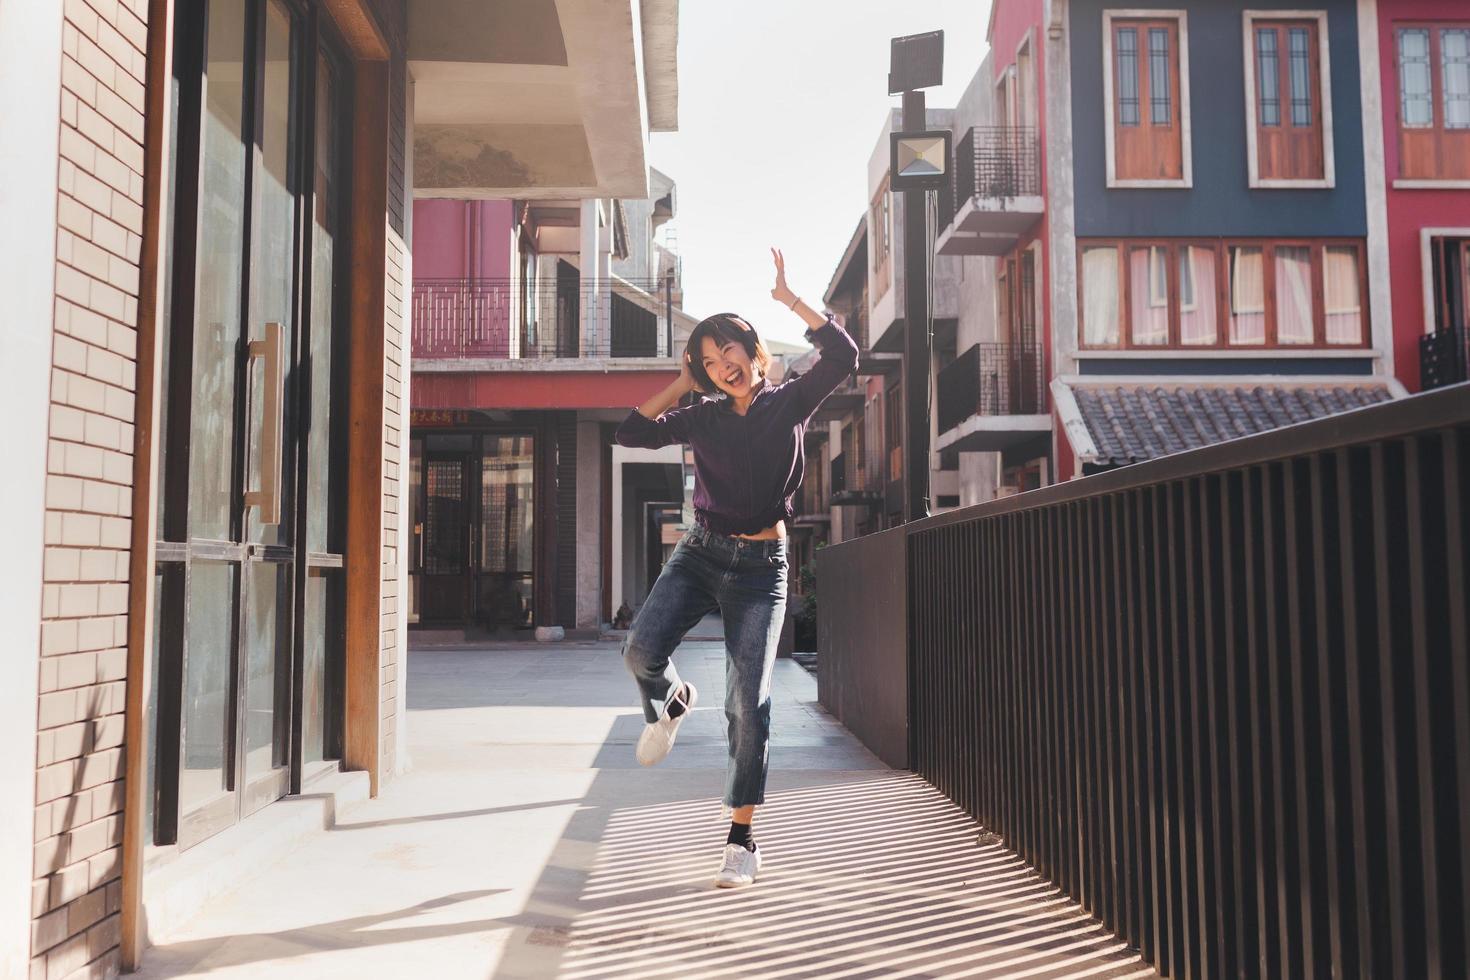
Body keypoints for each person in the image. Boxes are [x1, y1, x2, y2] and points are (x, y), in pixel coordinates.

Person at [615, 248, 860, 888]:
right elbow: (632, 434)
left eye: (732, 356)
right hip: (701, 554)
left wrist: (791, 301)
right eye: (710, 364)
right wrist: (679, 383)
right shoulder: (701, 415)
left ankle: (741, 839)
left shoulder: (790, 402)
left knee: (748, 703)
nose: (725, 370)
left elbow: (844, 357)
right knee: (640, 650)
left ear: (753, 355)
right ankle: (667, 702)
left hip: (761, 568)